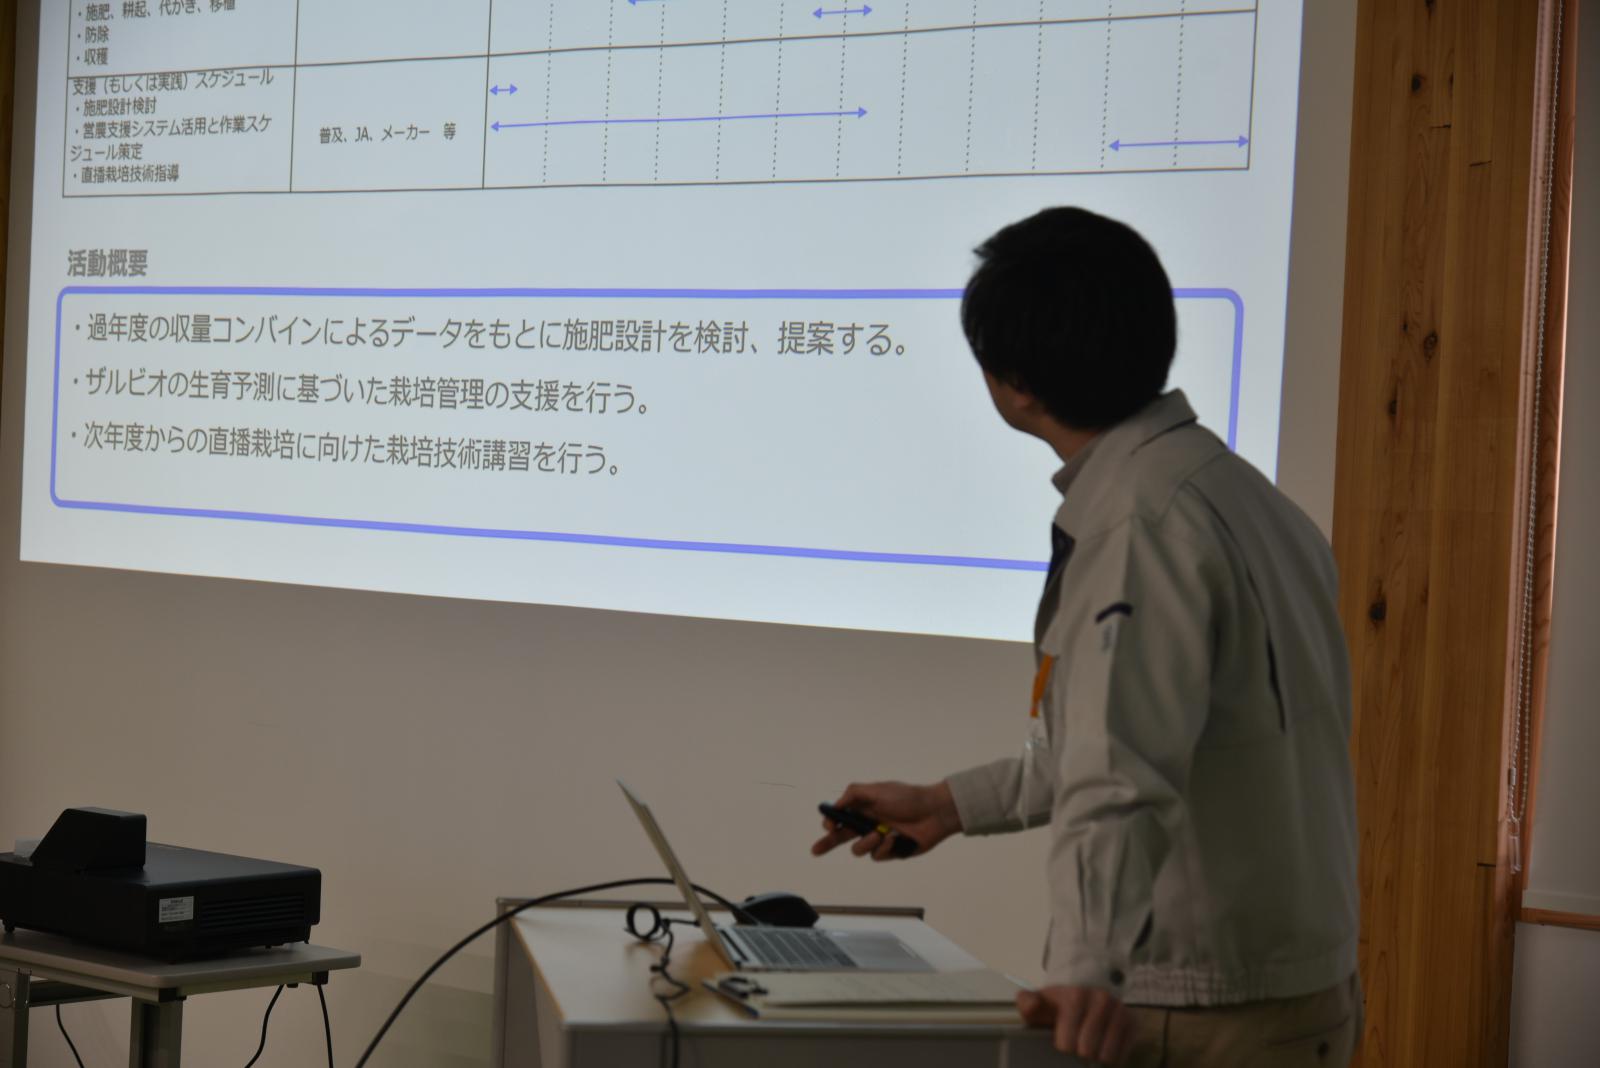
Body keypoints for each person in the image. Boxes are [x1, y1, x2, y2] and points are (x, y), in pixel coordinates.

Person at [812, 207, 1362, 1067]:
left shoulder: (1140, 525)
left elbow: (1118, 770)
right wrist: (948, 805)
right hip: (1287, 994)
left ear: (1014, 383)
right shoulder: (1241, 495)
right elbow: (1149, 735)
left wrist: (1081, 970)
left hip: (1201, 1011)